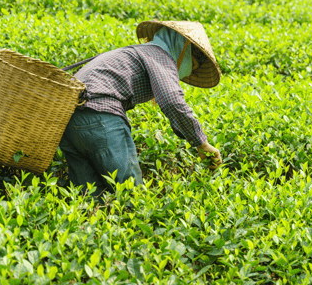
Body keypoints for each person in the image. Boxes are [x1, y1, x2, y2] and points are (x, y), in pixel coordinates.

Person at [59, 20, 222, 200]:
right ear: (183, 49)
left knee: (88, 198)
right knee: (131, 194)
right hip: (100, 113)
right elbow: (172, 101)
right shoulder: (160, 56)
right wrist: (201, 142)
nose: (188, 73)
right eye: (192, 66)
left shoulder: (136, 51)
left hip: (69, 120)